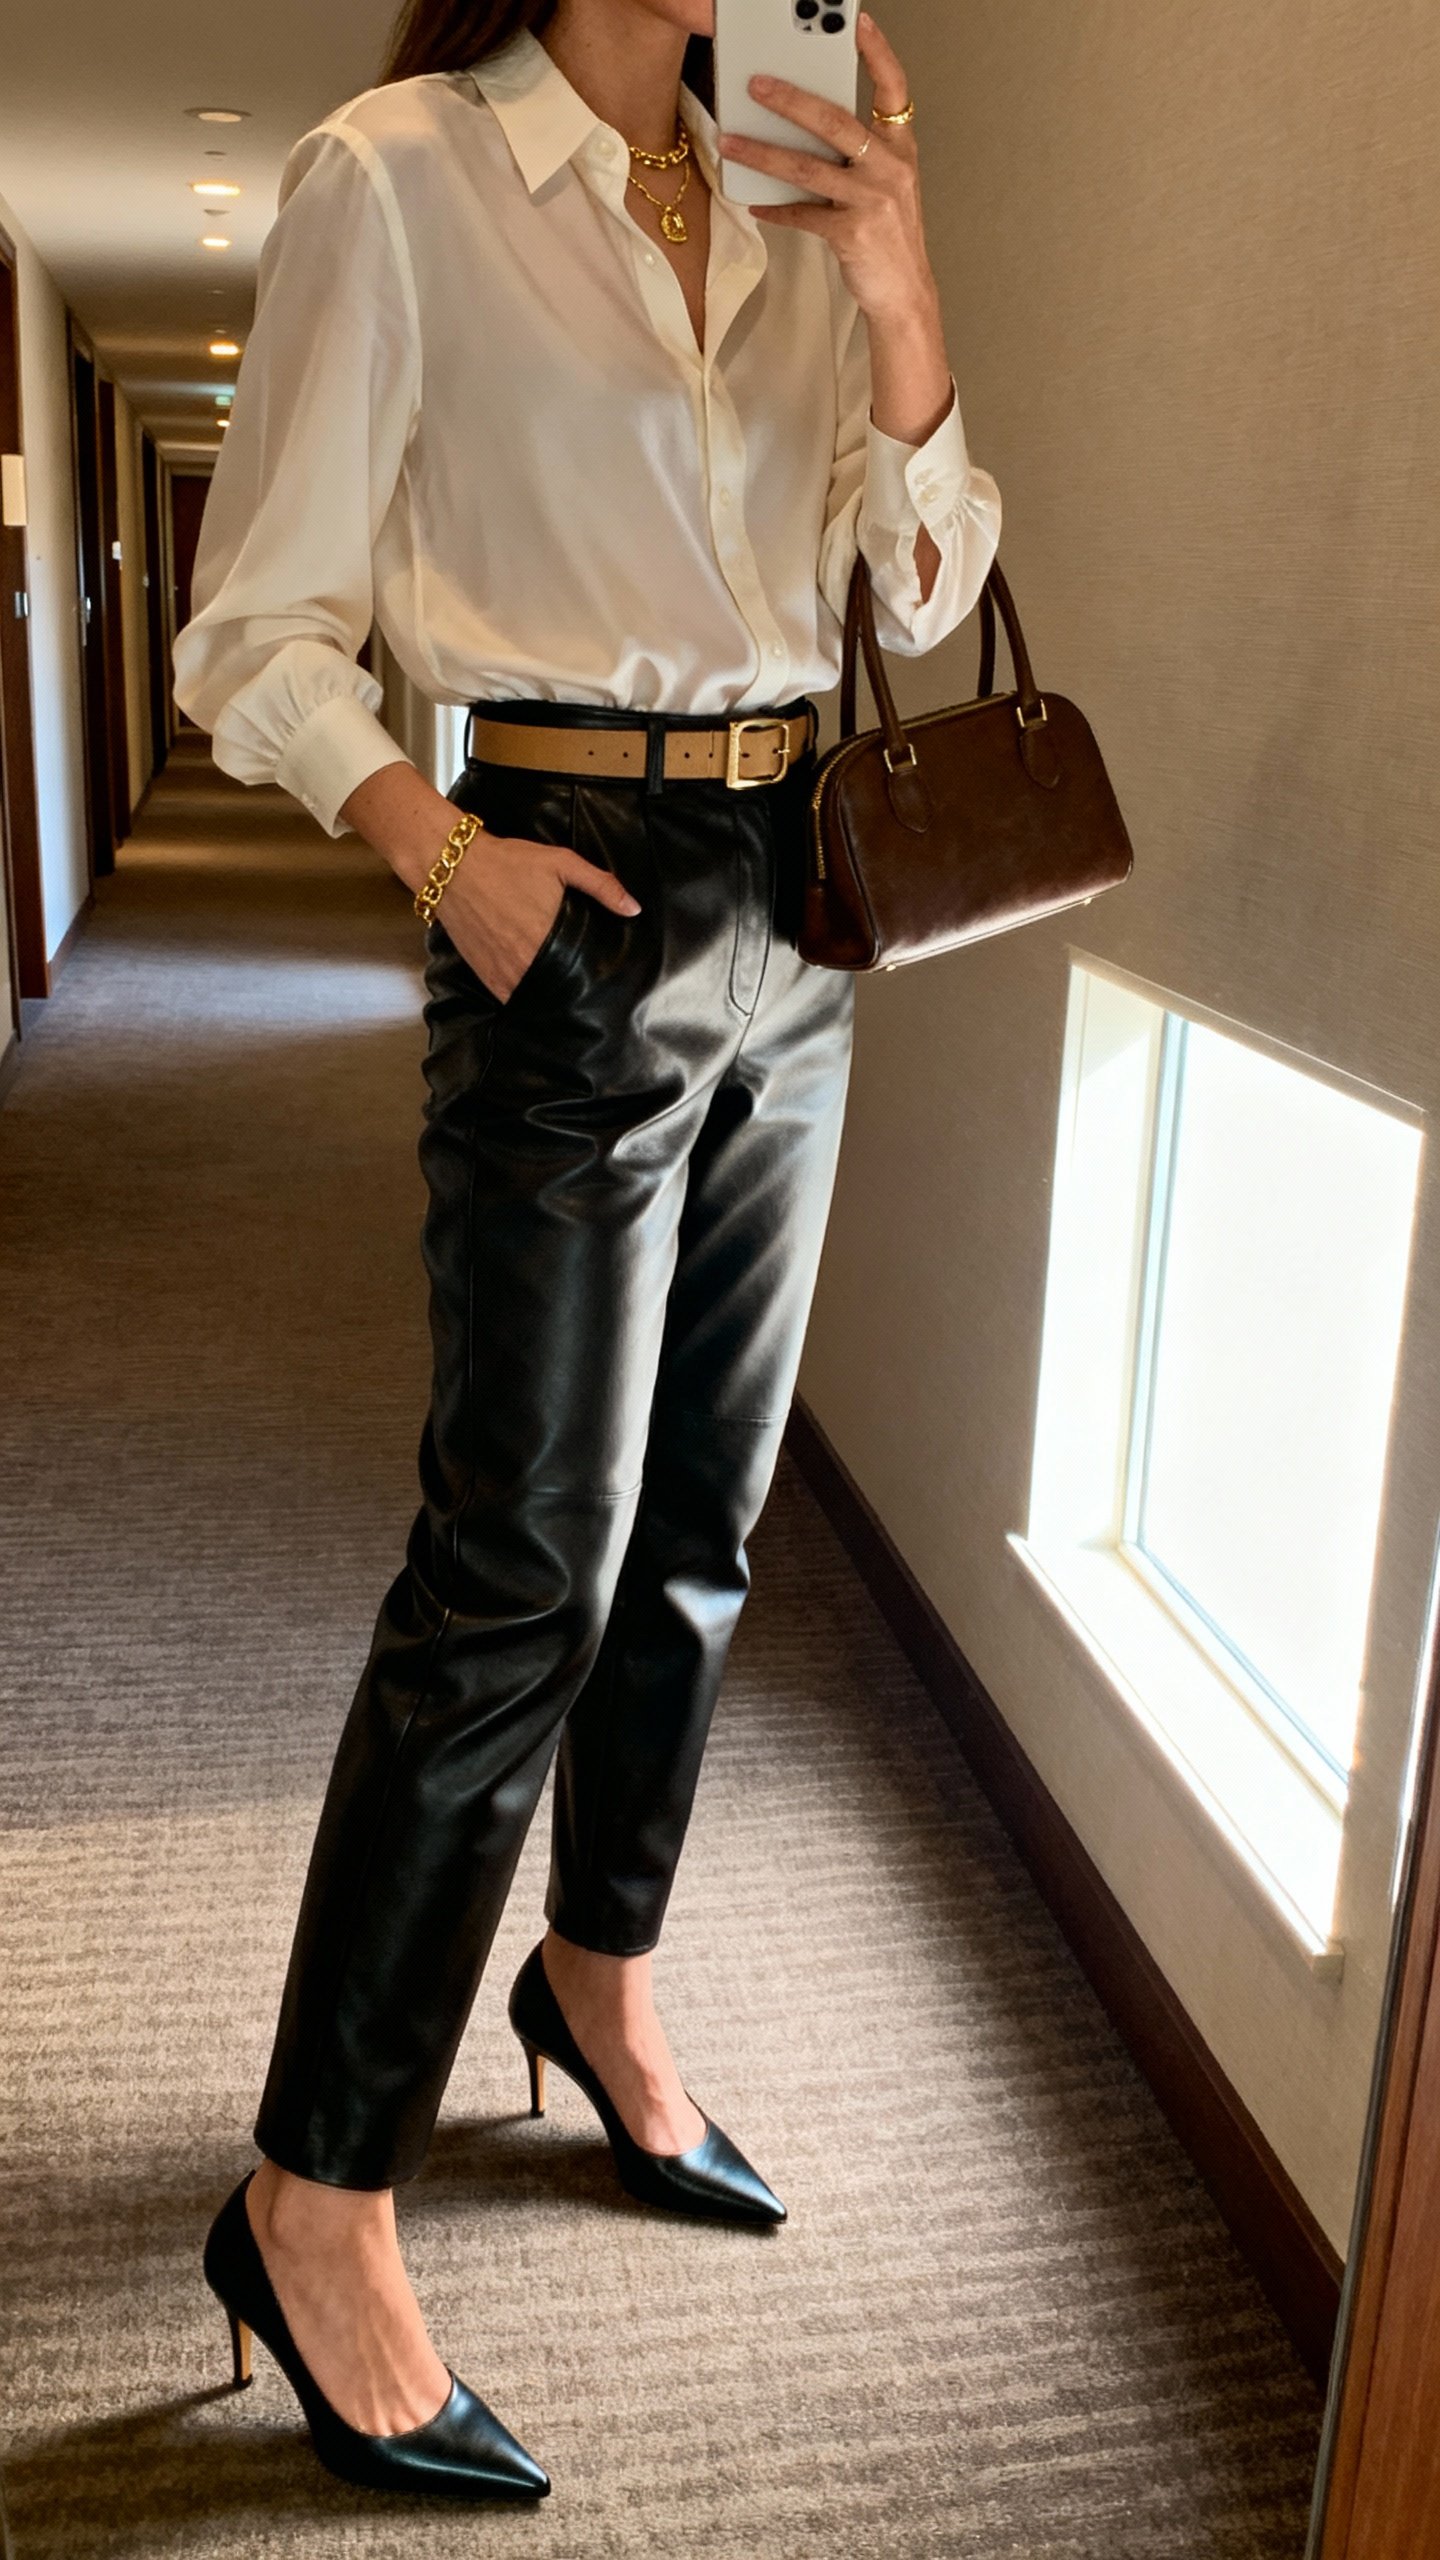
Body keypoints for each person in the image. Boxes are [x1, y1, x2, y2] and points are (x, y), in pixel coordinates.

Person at [172, 0, 1001, 2504]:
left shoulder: (797, 185)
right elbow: (255, 631)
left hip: (798, 903)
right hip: (557, 880)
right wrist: (446, 858)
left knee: (706, 1524)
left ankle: (597, 1977)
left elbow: (926, 580)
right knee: (518, 1555)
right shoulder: (401, 176)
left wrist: (900, 286)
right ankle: (312, 2195)